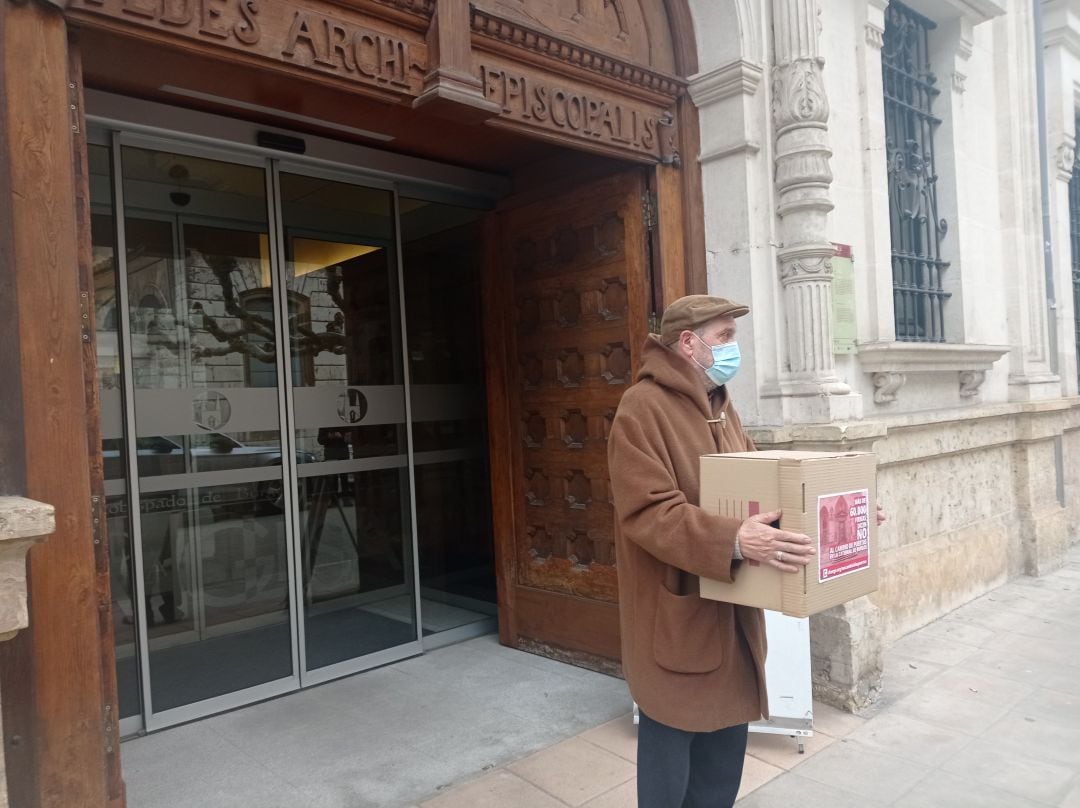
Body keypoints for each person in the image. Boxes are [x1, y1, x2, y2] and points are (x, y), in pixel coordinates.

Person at [608, 295, 816, 808]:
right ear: (688, 343)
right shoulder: (642, 408)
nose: (733, 348)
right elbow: (648, 512)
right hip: (677, 612)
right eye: (723, 337)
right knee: (671, 750)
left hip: (730, 609)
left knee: (723, 754)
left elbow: (758, 495)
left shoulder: (722, 407)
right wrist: (734, 541)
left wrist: (832, 512)